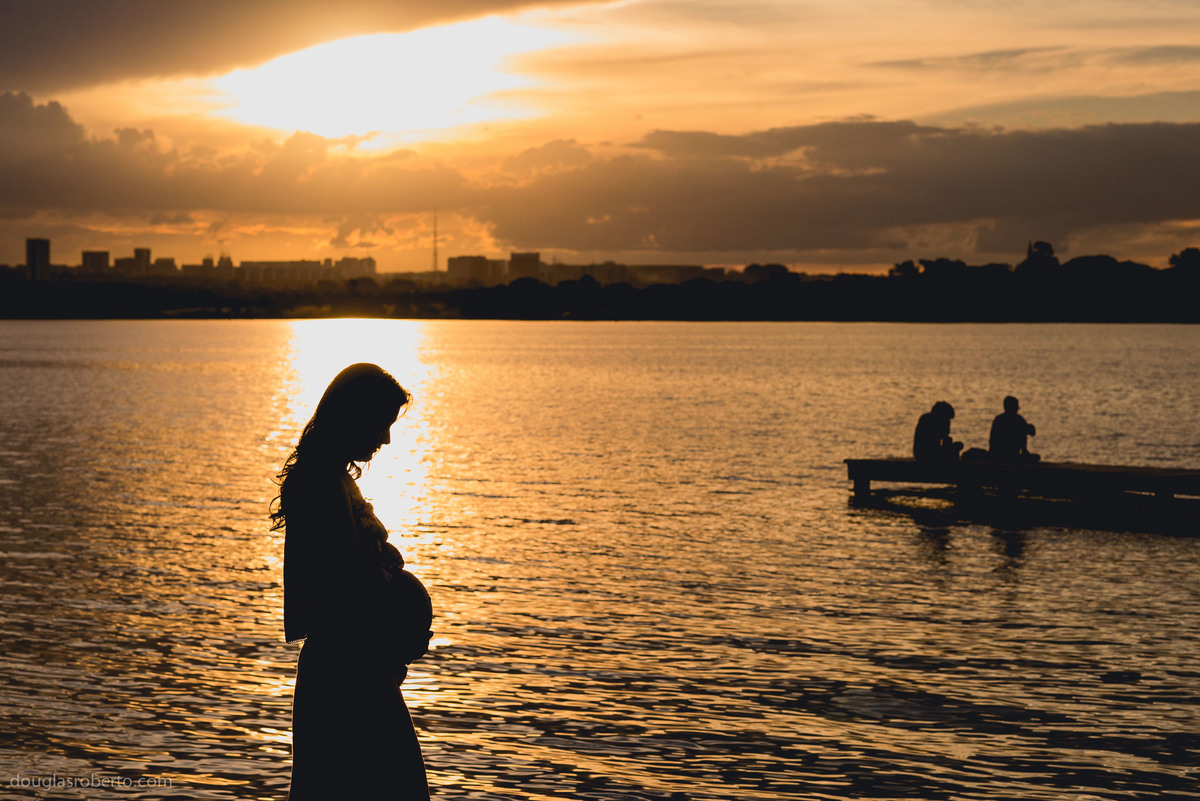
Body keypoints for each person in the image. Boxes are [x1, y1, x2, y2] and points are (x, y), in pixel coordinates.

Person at [270, 363, 431, 801]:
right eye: (382, 423)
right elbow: (341, 590)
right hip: (347, 677)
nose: (386, 438)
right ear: (355, 416)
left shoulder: (335, 478)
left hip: (359, 668)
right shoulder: (321, 485)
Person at [988, 395, 1039, 463]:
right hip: (1012, 456)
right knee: (1036, 457)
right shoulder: (1018, 420)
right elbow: (1032, 432)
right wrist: (1027, 427)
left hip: (996, 455)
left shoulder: (998, 419)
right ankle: (1024, 451)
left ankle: (1024, 452)